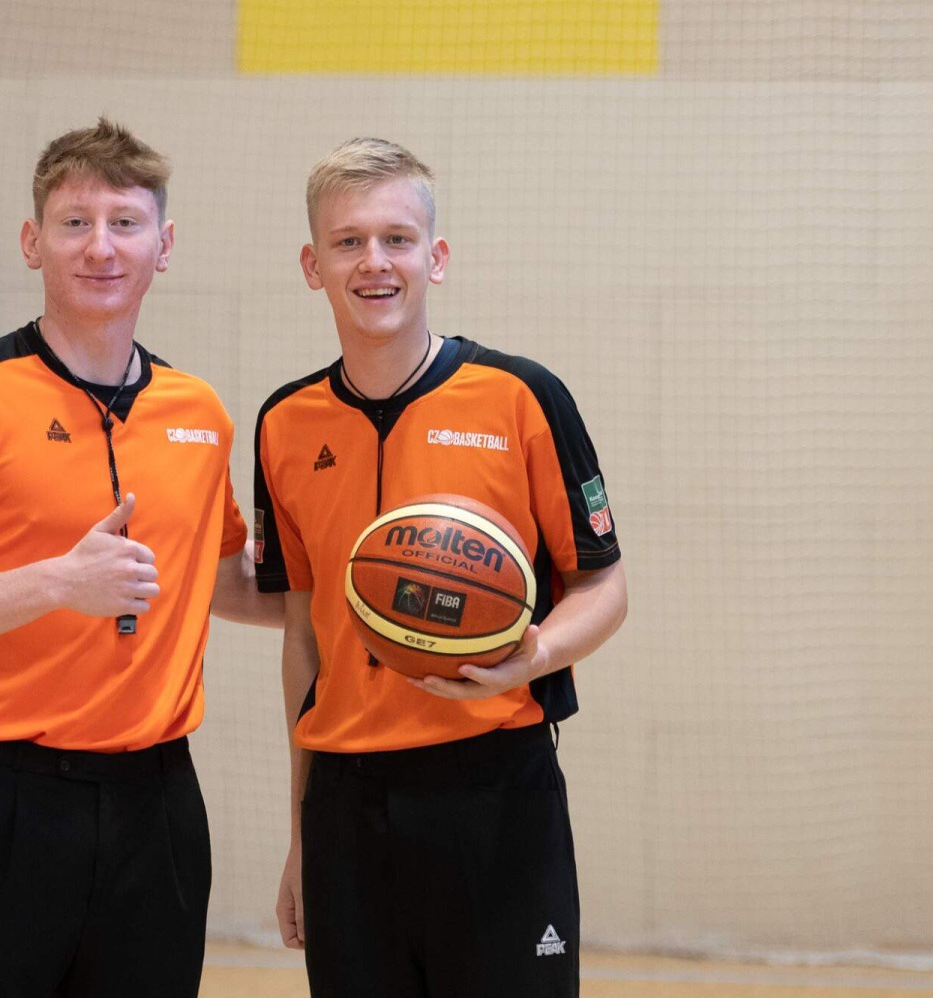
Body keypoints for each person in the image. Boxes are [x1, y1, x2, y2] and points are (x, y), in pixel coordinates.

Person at [0, 118, 280, 998]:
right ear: (33, 242)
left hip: (158, 807)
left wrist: (371, 596)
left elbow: (218, 578)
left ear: (164, 245)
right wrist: (56, 583)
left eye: (125, 222)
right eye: (75, 222)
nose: (100, 246)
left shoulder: (200, 414)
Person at [253, 137, 628, 997]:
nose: (373, 262)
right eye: (348, 242)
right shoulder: (284, 423)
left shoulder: (522, 396)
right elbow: (305, 639)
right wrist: (303, 833)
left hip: (494, 787)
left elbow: (605, 584)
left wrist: (534, 655)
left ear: (437, 256)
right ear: (313, 266)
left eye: (397, 238)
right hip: (345, 805)